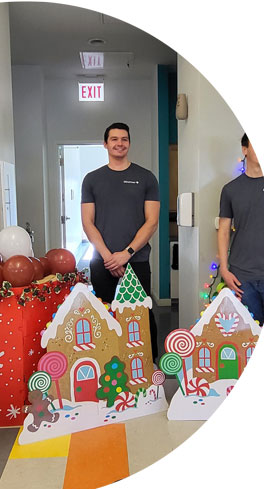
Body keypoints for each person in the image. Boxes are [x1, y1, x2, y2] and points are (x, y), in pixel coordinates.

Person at [81, 122, 160, 358]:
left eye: (124, 139)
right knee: (104, 313)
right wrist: (108, 257)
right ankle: (108, 360)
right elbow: (87, 222)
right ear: (105, 144)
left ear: (129, 143)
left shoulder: (146, 178)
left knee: (141, 314)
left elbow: (152, 221)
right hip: (102, 261)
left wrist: (126, 253)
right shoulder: (92, 179)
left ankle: (148, 364)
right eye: (114, 139)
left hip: (136, 260)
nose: (119, 143)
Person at [218, 133, 264, 325]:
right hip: (241, 276)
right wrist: (224, 269)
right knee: (246, 335)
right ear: (244, 150)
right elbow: (223, 231)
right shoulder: (230, 190)